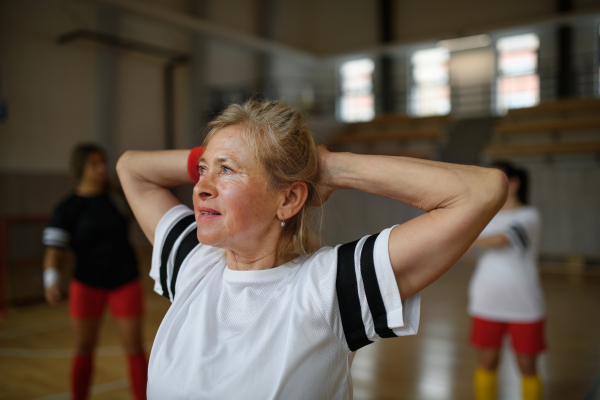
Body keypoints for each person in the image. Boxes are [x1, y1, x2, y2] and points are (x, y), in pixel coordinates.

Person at [116, 100, 507, 399]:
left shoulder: (330, 287)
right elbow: (131, 168)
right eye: (203, 170)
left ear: (287, 200)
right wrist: (211, 158)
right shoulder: (194, 264)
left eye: (228, 170)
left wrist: (330, 167)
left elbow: (481, 191)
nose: (201, 186)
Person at [42, 143, 147, 400]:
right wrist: (51, 281)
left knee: (134, 348)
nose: (102, 169)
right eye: (94, 164)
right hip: (87, 283)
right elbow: (54, 253)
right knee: (84, 347)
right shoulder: (67, 208)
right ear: (81, 169)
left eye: (103, 163)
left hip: (125, 280)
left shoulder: (118, 198)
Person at [468, 161, 545, 400]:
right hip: (486, 300)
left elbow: (501, 240)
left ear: (513, 183)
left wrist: (467, 241)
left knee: (527, 366)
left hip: (523, 303)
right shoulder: (485, 214)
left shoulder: (529, 215)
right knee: (487, 361)